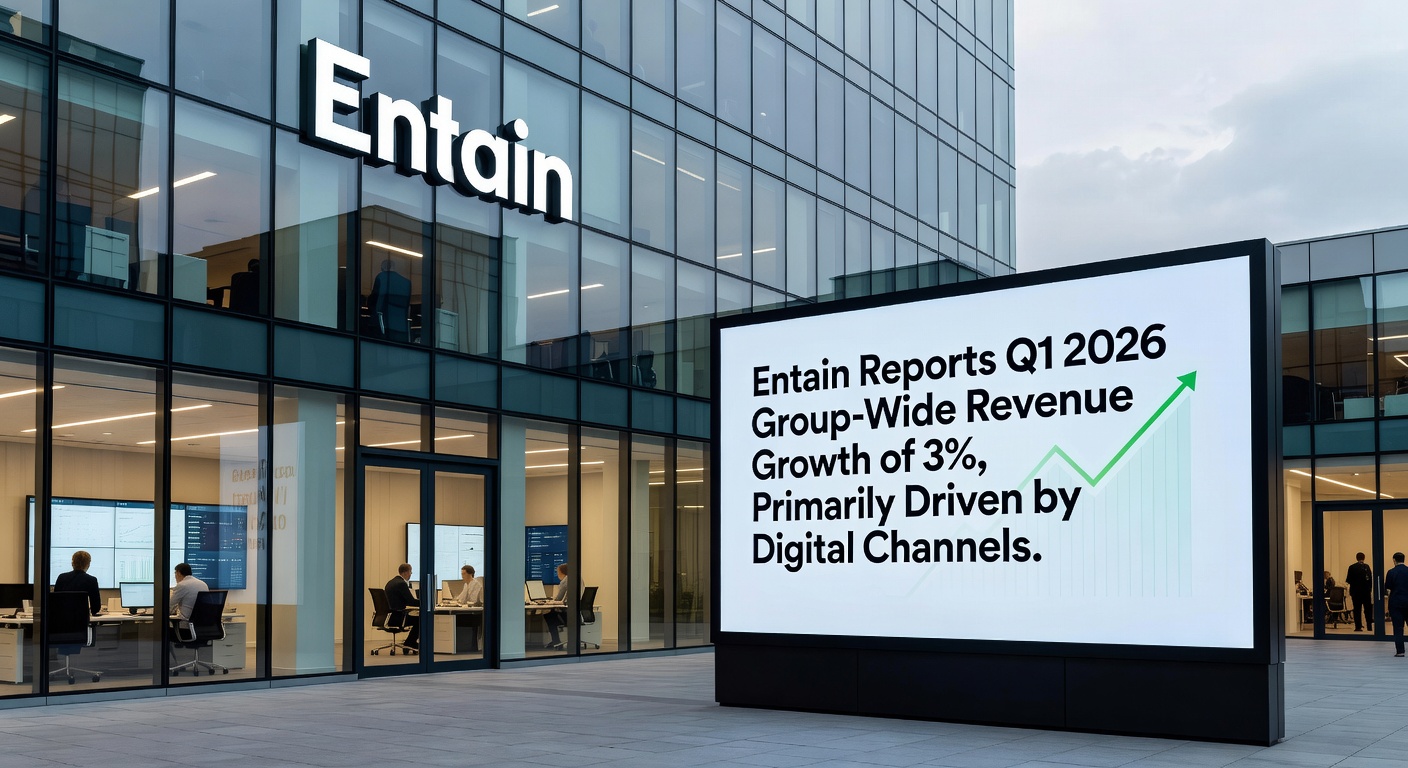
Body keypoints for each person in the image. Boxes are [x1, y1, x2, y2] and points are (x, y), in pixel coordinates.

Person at [384, 563, 420, 651]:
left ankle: (410, 643)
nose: (411, 574)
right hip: (398, 617)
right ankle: (410, 643)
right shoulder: (401, 584)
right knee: (421, 619)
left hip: (390, 616)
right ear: (405, 573)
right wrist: (426, 603)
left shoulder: (391, 582)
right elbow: (411, 601)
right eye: (410, 572)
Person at [55, 550, 101, 616]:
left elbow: (55, 601)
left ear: (72, 563)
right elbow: (96, 608)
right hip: (81, 621)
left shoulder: (61, 577)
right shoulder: (91, 580)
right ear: (88, 565)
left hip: (62, 619)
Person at [1384, 552, 1408, 657]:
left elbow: (1388, 588)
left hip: (1396, 602)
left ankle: (1400, 651)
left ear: (1394, 560)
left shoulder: (1391, 572)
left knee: (1398, 628)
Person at [1346, 552, 1374, 632]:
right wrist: (1369, 589)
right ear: (1364, 558)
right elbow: (1370, 580)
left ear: (1356, 558)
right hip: (1366, 592)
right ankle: (1369, 626)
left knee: (1357, 610)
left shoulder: (1352, 567)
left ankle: (1358, 626)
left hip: (1356, 592)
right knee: (1368, 609)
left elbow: (1348, 580)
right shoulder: (1367, 567)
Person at [546, 563, 570, 649]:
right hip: (574, 613)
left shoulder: (565, 581)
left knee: (548, 615)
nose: (557, 574)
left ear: (562, 572)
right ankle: (556, 641)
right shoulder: (573, 579)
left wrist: (550, 602)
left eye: (558, 572)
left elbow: (559, 599)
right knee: (552, 614)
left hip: (567, 614)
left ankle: (556, 641)